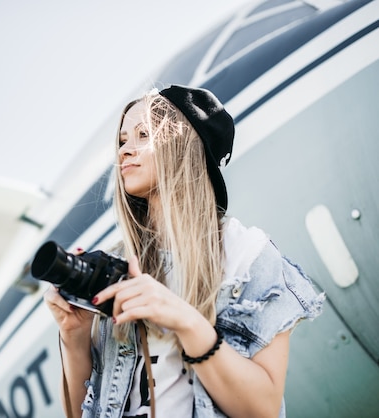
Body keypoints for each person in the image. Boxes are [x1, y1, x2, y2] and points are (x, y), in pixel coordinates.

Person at [44, 85, 324, 418]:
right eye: (122, 141)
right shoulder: (119, 263)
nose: (124, 151)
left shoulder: (246, 255)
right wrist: (74, 338)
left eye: (142, 134)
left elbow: (262, 408)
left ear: (185, 143)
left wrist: (187, 322)